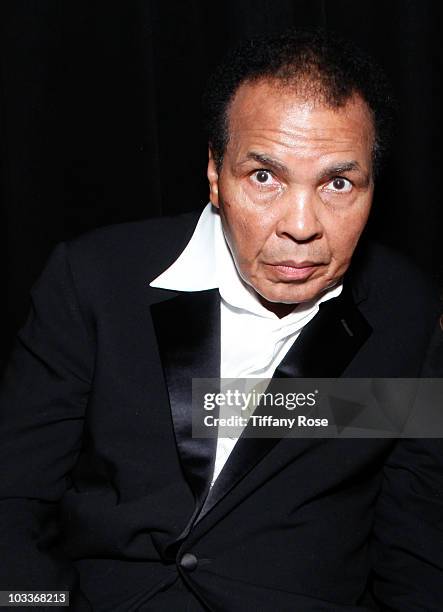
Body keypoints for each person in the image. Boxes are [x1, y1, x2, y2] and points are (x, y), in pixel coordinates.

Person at [0, 29, 442, 611]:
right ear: (215, 172)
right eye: (265, 177)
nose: (302, 225)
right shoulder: (95, 281)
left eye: (338, 183)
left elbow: (416, 543)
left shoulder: (405, 314)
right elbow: (14, 499)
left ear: (372, 187)